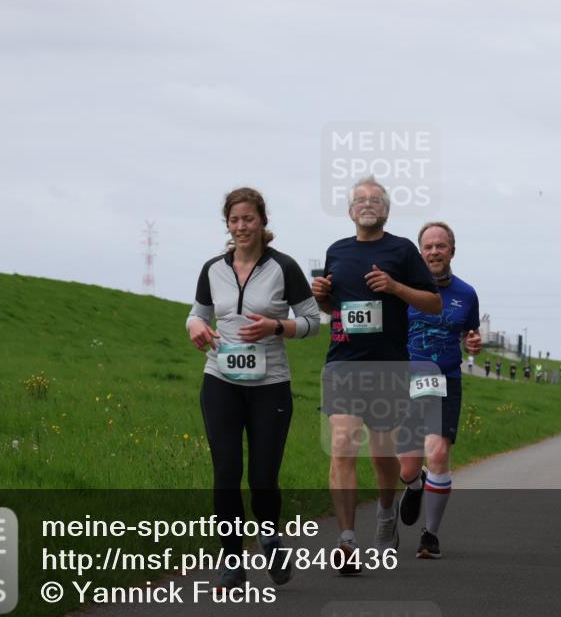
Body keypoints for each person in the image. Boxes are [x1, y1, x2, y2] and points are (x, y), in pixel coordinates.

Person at [187, 187, 321, 591]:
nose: (242, 226)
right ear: (227, 225)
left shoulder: (284, 267)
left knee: (263, 476)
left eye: (248, 218)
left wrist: (276, 326)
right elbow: (198, 313)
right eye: (234, 220)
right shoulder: (213, 269)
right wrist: (195, 326)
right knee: (226, 473)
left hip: (270, 385)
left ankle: (270, 539)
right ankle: (231, 562)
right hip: (220, 380)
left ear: (263, 221)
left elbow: (313, 322)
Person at [311, 176, 441, 573]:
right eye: (360, 200)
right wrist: (322, 297)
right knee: (343, 443)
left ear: (385, 210)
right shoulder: (336, 251)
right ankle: (347, 540)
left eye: (375, 200)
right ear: (351, 211)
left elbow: (433, 303)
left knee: (383, 453)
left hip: (387, 365)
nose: (367, 204)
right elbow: (334, 307)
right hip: (343, 362)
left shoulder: (401, 250)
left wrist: (395, 286)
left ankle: (386, 513)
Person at [398, 221, 481, 558]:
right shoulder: (404, 289)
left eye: (440, 246)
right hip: (407, 380)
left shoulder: (466, 294)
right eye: (428, 247)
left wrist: (473, 342)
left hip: (446, 379)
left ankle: (430, 535)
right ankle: (415, 484)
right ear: (421, 253)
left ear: (452, 251)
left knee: (438, 453)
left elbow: (470, 334)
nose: (434, 252)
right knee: (406, 468)